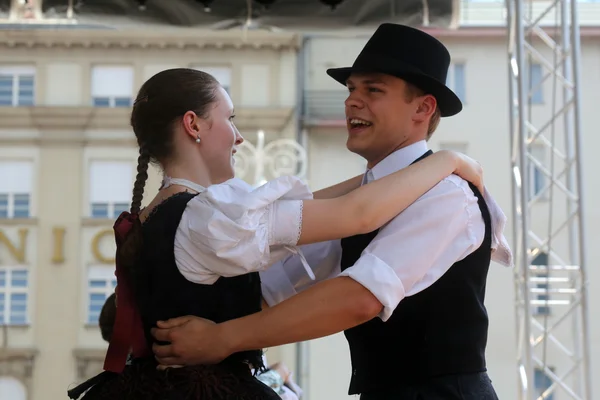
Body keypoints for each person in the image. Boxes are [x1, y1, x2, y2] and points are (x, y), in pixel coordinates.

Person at [66, 66, 484, 400]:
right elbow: (351, 217)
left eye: (372, 89)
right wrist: (446, 159)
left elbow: (315, 242)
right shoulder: (212, 218)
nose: (240, 135)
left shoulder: (166, 216)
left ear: (422, 109)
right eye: (230, 119)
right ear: (193, 125)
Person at [150, 24, 514, 400]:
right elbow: (278, 280)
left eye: (372, 90)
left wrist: (221, 338)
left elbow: (361, 297)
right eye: (351, 89)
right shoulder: (373, 196)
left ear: (423, 107)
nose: (352, 101)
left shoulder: (447, 194)